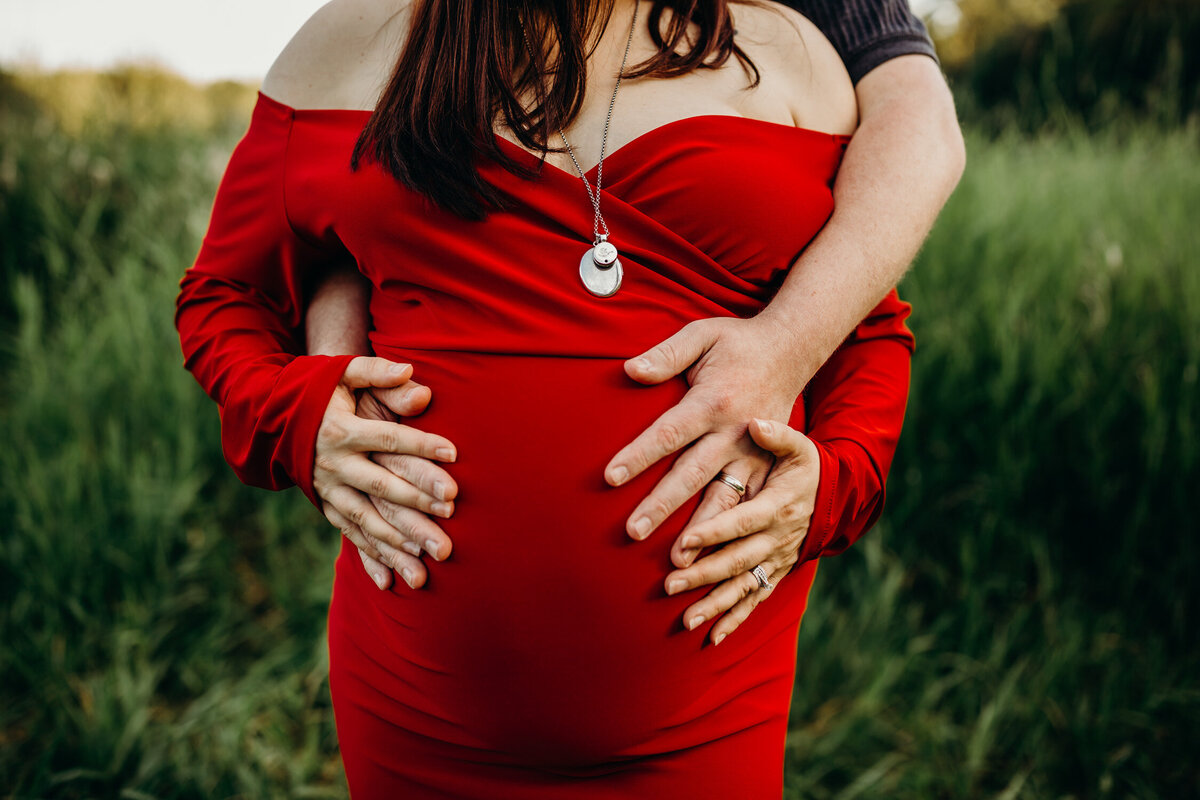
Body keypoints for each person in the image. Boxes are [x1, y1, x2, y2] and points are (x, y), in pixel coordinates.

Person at [175, 0, 962, 796]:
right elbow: (227, 292)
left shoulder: (786, 54)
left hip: (708, 710)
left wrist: (832, 486)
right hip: (414, 708)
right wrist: (299, 417)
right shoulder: (352, 43)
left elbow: (862, 328)